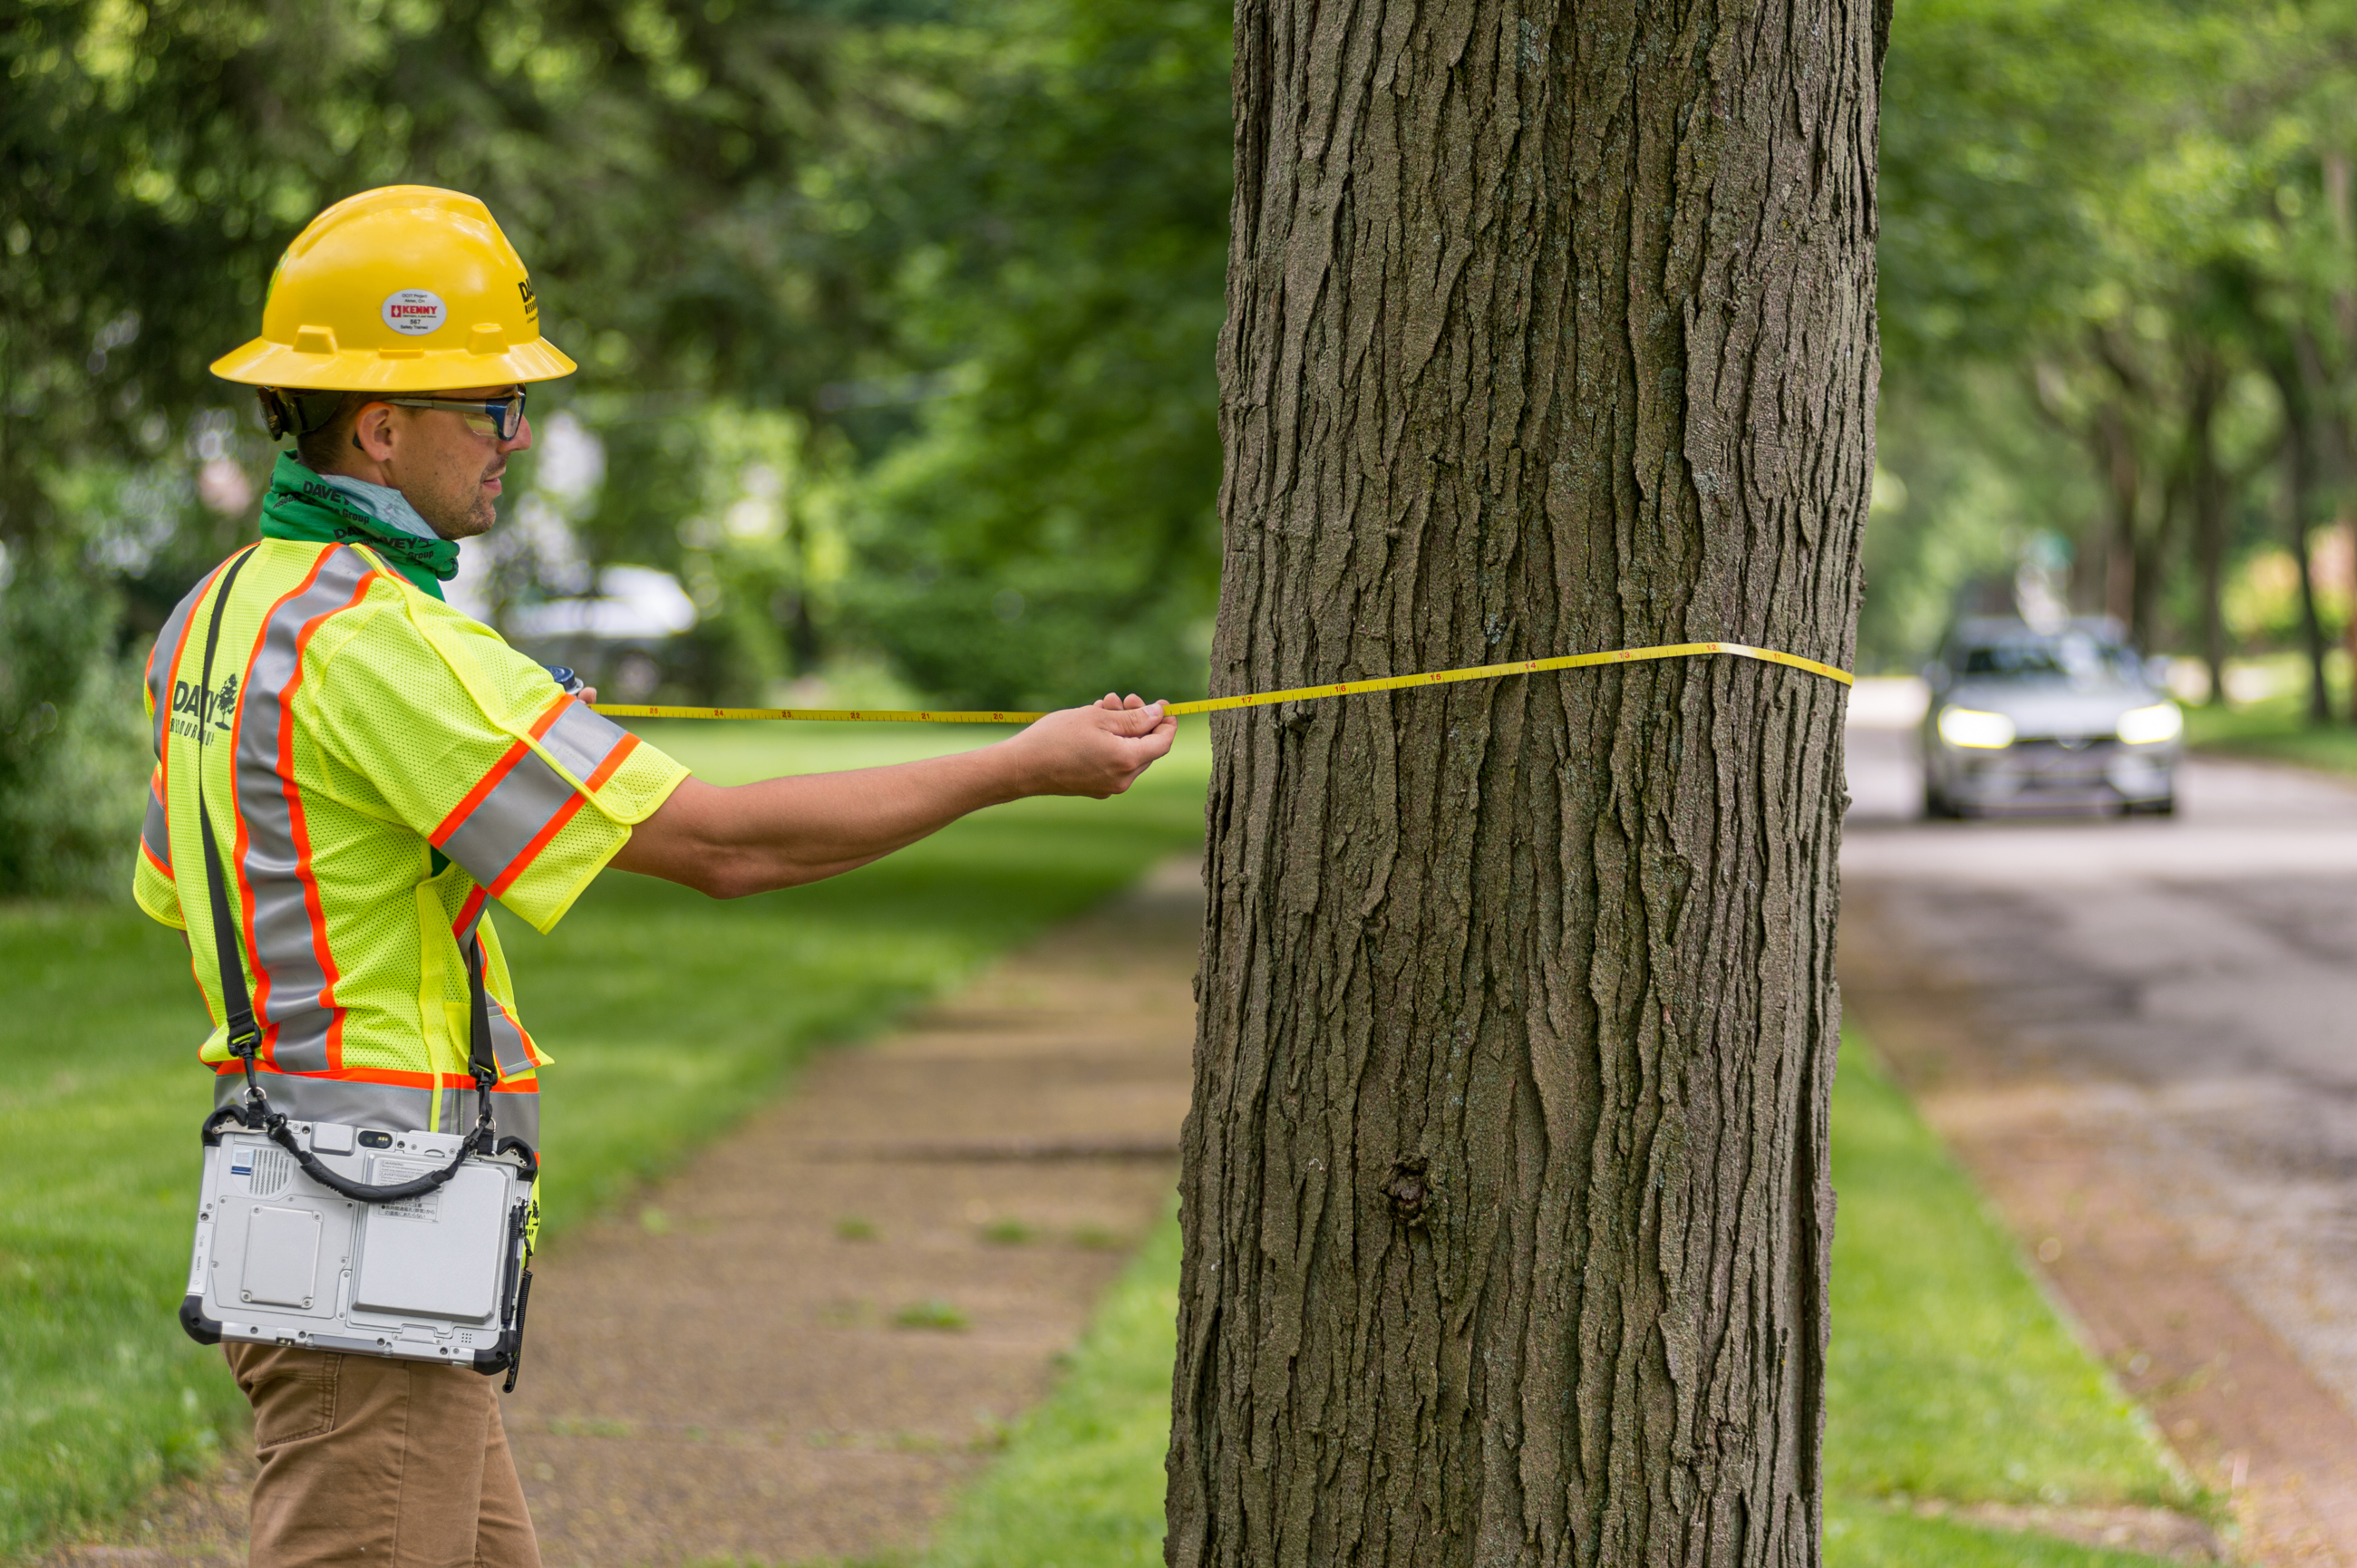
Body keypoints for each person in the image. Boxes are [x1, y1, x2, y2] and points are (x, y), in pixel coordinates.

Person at [135, 184, 1176, 1568]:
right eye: (492, 404)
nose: (517, 435)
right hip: (366, 1229)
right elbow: (725, 846)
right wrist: (1017, 764)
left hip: (333, 1205)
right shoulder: (387, 645)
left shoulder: (217, 616)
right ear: (380, 426)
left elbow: (198, 882)